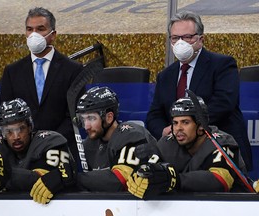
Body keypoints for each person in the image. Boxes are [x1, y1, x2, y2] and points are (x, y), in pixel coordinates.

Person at [146, 10, 253, 171]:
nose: (181, 43)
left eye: (188, 37)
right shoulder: (165, 76)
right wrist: (165, 130)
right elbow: (154, 114)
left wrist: (190, 125)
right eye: (175, 38)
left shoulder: (222, 65)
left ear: (200, 39)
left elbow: (224, 103)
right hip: (178, 159)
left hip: (219, 153)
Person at [0, 7, 84, 166]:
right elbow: (5, 115)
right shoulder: (12, 71)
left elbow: (74, 116)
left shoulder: (73, 70)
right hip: (22, 155)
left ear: (53, 35)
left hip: (61, 152)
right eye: (30, 29)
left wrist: (49, 142)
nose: (34, 35)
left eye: (40, 29)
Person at [128, 96, 251, 199]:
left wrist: (174, 179)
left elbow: (219, 181)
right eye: (175, 123)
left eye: (185, 122)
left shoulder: (222, 142)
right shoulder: (167, 143)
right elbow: (150, 173)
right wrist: (144, 172)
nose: (178, 128)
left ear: (201, 126)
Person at [0, 98, 76, 204]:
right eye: (9, 131)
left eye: (21, 129)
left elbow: (42, 181)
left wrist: (3, 173)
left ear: (30, 127)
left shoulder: (50, 142)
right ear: (2, 133)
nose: (16, 136)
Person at [75, 86, 159, 192]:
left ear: (109, 117)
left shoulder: (132, 136)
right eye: (83, 119)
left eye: (91, 118)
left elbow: (120, 182)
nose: (86, 126)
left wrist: (73, 179)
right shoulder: (91, 142)